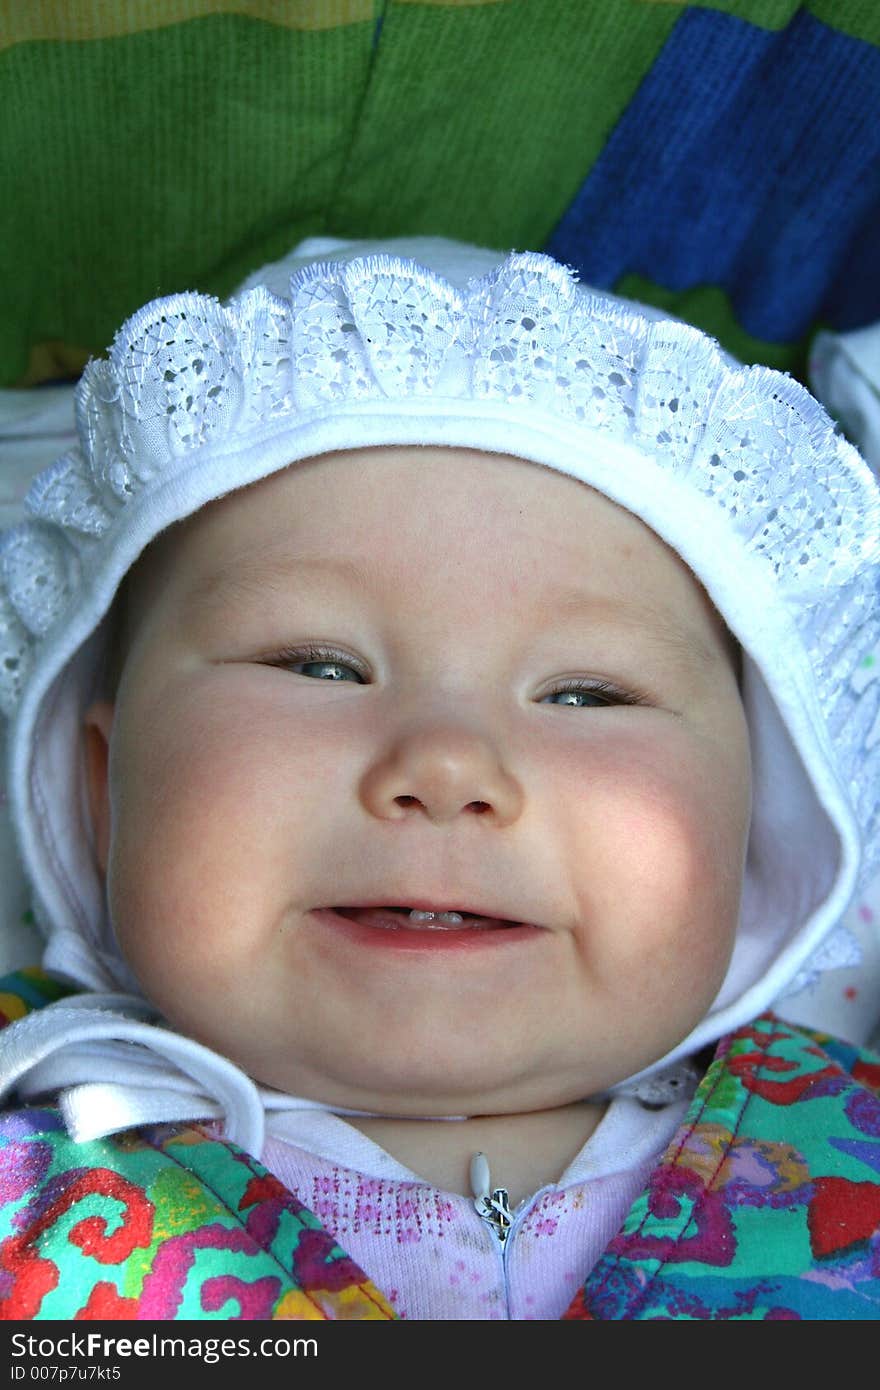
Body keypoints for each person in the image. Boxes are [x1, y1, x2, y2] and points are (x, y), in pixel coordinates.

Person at [0, 237, 878, 1322]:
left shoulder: (848, 1150)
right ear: (100, 792)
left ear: (758, 820)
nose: (448, 765)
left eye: (586, 695)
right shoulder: (31, 1168)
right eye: (317, 665)